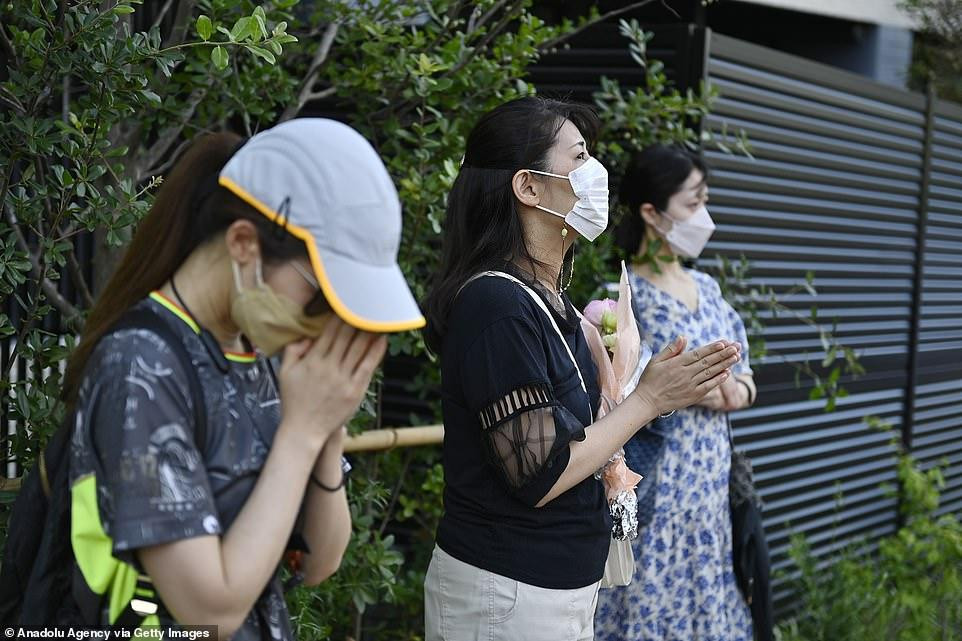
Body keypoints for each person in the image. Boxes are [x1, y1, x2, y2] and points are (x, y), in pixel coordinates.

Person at [63, 119, 424, 638]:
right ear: (243, 245)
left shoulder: (262, 349)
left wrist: (326, 431)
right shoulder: (138, 364)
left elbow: (318, 562)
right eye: (322, 296)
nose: (327, 322)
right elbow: (209, 613)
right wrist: (300, 434)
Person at [421, 97, 742, 641]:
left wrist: (629, 385)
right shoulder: (497, 306)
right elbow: (540, 473)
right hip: (507, 591)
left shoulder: (547, 300)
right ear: (528, 187)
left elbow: (579, 439)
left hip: (557, 586)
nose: (596, 174)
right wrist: (648, 401)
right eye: (579, 157)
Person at [594, 144, 757, 641]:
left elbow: (747, 379)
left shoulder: (708, 289)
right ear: (651, 212)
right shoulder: (619, 299)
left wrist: (733, 392)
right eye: (692, 203)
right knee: (647, 601)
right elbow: (610, 395)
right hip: (657, 489)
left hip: (709, 491)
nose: (702, 216)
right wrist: (678, 388)